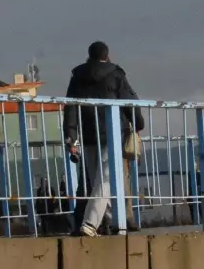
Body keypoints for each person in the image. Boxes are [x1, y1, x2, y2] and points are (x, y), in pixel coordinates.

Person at [62, 41, 144, 237]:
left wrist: (71, 137)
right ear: (108, 55)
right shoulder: (116, 74)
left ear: (88, 55)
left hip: (89, 135)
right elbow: (129, 100)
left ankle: (108, 220)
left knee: (95, 180)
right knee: (105, 181)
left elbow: (71, 108)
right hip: (112, 134)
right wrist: (138, 122)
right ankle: (90, 224)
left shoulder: (78, 76)